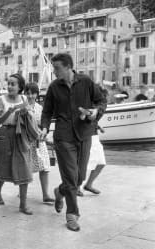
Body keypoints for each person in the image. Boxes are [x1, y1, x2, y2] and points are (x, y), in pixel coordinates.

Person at [41, 53, 107, 231]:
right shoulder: (54, 87)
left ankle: (60, 191)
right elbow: (46, 112)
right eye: (54, 68)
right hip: (63, 137)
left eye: (57, 68)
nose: (54, 72)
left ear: (68, 67)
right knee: (70, 177)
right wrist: (45, 128)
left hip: (85, 133)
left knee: (80, 177)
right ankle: (72, 214)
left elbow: (101, 101)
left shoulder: (85, 82)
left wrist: (95, 112)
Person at [0, 74, 39, 215]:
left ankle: (23, 205)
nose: (9, 86)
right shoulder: (1, 99)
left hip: (21, 135)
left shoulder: (24, 99)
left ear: (20, 86)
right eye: (8, 83)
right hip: (4, 134)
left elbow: (30, 116)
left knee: (24, 168)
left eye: (13, 84)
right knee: (3, 167)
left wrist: (26, 112)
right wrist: (9, 111)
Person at [24, 83, 54, 204]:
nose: (30, 95)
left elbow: (44, 124)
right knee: (25, 169)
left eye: (33, 93)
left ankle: (46, 194)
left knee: (45, 167)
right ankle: (23, 195)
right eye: (28, 93)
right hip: (26, 142)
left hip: (39, 142)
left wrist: (44, 133)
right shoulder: (22, 107)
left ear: (36, 94)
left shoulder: (40, 108)